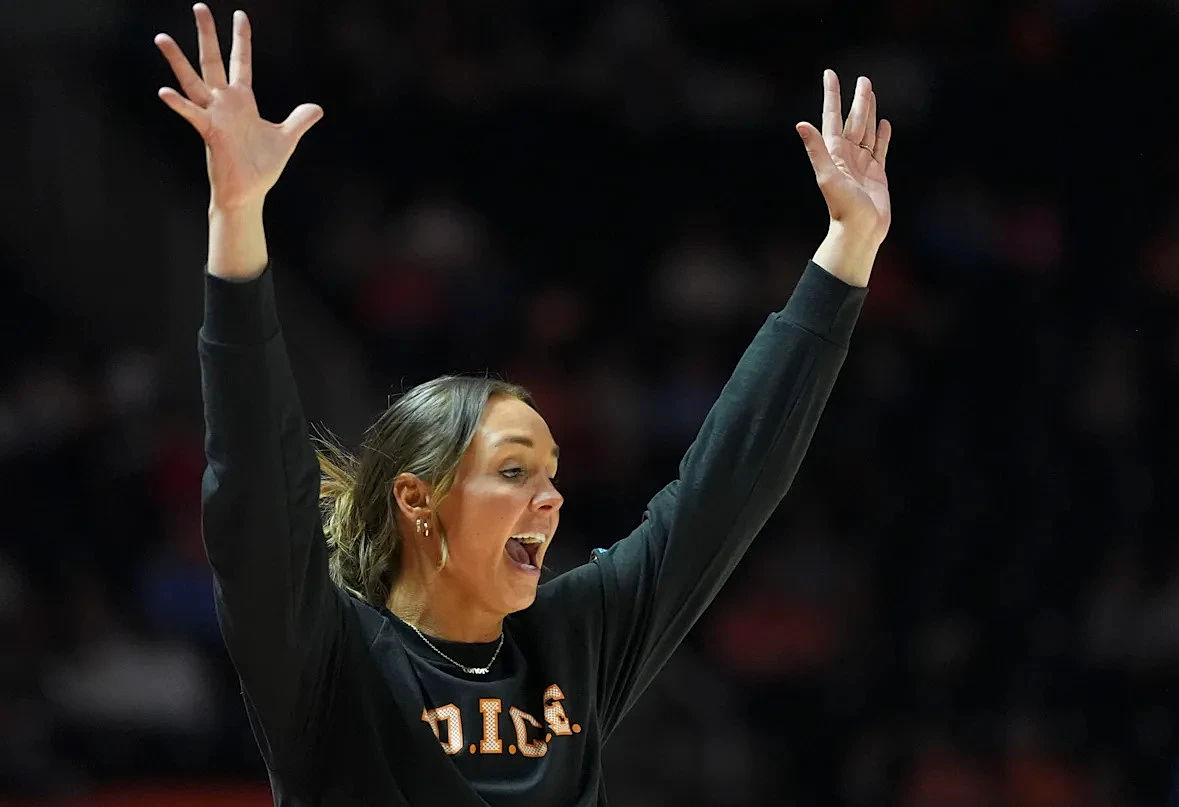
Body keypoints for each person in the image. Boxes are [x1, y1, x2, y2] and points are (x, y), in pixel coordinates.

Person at [154, 5, 893, 805]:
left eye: (549, 472)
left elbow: (726, 487)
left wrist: (847, 249)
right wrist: (236, 217)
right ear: (417, 498)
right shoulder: (330, 655)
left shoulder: (575, 639)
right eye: (514, 470)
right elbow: (258, 483)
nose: (551, 498)